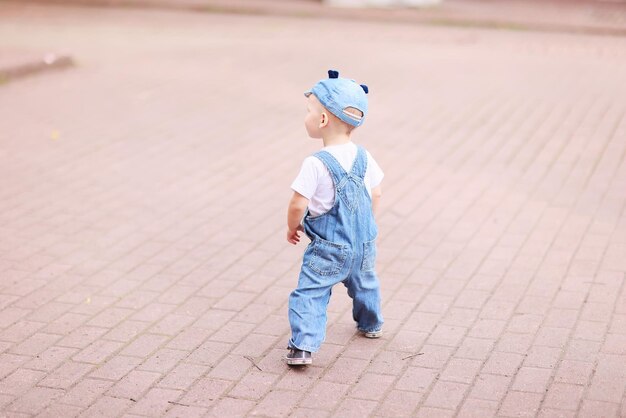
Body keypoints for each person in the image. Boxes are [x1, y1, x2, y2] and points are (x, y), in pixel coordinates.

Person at [285, 69, 384, 366]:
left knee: (310, 293)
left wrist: (293, 226)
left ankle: (303, 346)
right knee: (365, 283)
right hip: (363, 244)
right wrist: (366, 226)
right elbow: (376, 194)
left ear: (323, 120)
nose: (306, 117)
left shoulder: (315, 163)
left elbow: (297, 203)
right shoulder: (365, 157)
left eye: (309, 112)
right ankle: (371, 324)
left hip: (328, 249)